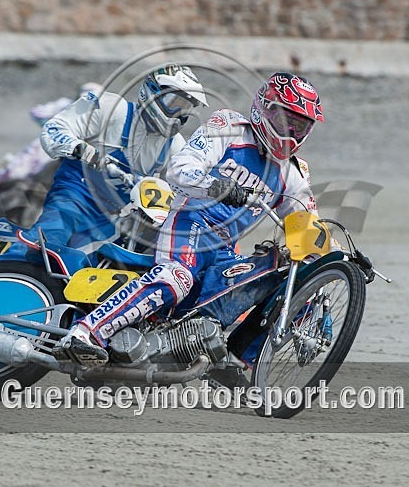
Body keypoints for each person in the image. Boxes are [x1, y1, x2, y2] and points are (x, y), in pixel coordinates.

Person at [52, 72, 325, 368]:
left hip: (224, 249)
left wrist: (337, 269)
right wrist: (215, 186)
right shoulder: (230, 126)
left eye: (300, 126)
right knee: (177, 278)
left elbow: (308, 229)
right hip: (190, 222)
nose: (290, 131)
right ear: (265, 107)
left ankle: (238, 360)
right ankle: (86, 332)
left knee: (278, 275)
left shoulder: (294, 175)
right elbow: (181, 168)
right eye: (287, 120)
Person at [30, 65, 207, 252]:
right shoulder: (111, 108)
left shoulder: (174, 145)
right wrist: (83, 150)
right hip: (75, 197)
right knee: (45, 244)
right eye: (175, 104)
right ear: (153, 92)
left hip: (117, 218)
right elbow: (54, 129)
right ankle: (7, 269)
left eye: (185, 109)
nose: (179, 116)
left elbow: (185, 188)